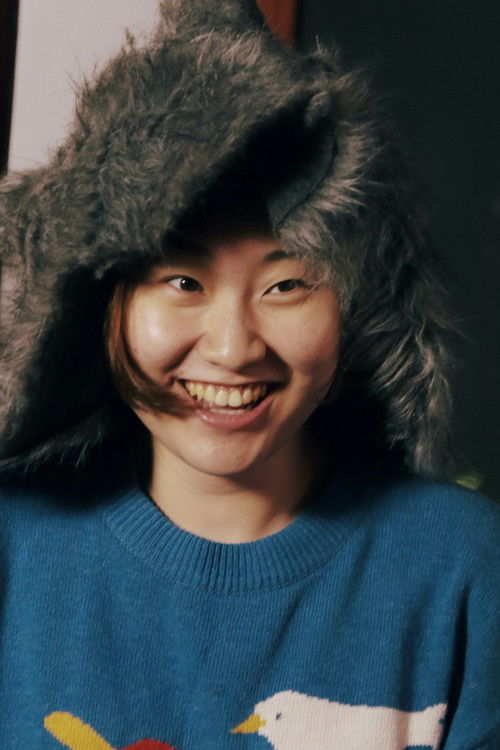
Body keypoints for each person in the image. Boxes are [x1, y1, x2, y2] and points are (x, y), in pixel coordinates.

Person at [0, 1, 498, 748]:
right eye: (182, 281)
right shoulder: (14, 546)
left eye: (287, 284)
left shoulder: (464, 566)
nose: (233, 348)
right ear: (102, 303)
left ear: (356, 307)